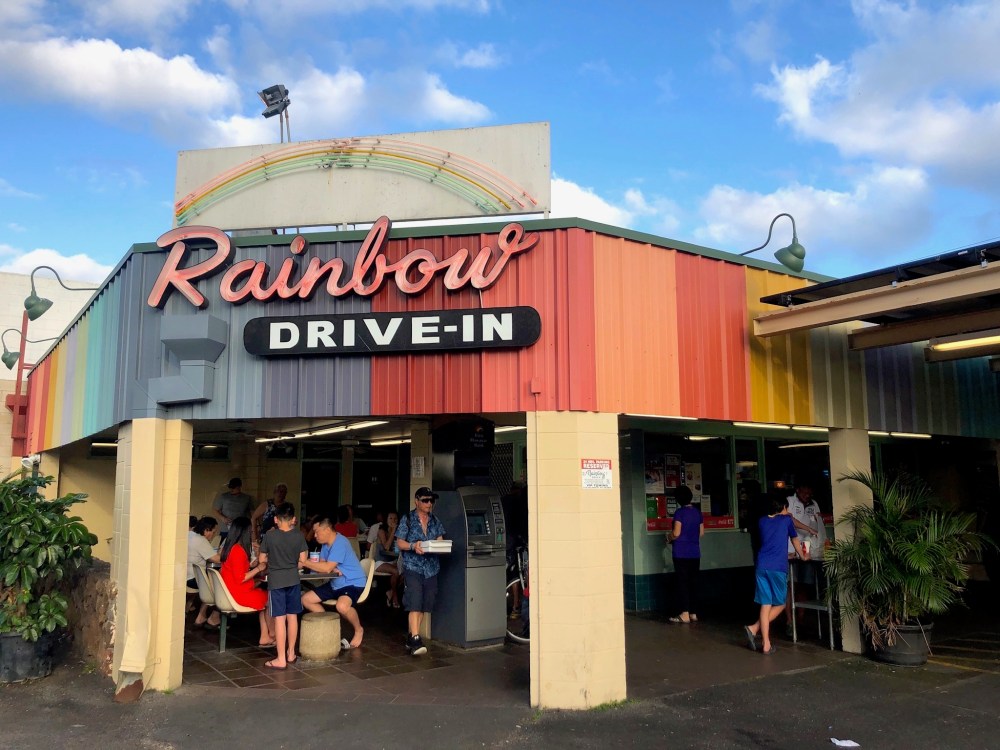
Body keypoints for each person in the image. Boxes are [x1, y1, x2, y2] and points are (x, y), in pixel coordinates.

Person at [744, 494, 809, 655]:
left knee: (765, 604)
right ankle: (754, 628)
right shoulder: (786, 520)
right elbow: (794, 540)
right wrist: (802, 556)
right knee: (780, 603)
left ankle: (766, 644)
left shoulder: (762, 521)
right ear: (782, 508)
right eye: (786, 508)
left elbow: (771, 542)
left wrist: (785, 555)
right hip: (777, 567)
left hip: (762, 565)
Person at [301, 517, 368, 648]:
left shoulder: (340, 542)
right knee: (306, 599)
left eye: (317, 532)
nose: (314, 535)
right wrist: (325, 567)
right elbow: (323, 568)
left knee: (342, 607)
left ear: (327, 530)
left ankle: (359, 629)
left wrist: (304, 561)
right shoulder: (325, 545)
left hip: (352, 582)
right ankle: (328, 627)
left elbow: (325, 568)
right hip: (335, 583)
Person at [395, 487, 446, 656]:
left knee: (426, 603)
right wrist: (412, 546)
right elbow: (399, 543)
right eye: (425, 500)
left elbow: (440, 540)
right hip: (413, 565)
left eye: (431, 500)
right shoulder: (407, 519)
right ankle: (416, 638)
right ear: (416, 501)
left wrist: (440, 546)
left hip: (431, 568)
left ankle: (411, 636)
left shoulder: (435, 520)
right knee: (414, 600)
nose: (429, 503)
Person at [258, 502, 308, 669]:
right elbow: (302, 562)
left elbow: (261, 560)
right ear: (293, 519)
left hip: (276, 581)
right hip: (294, 580)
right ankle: (291, 653)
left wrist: (273, 561)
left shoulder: (270, 536)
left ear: (275, 519)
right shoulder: (299, 536)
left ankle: (280, 659)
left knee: (280, 619)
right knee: (293, 616)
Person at [218, 516, 274, 647]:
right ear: (245, 532)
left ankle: (265, 636)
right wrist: (259, 568)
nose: (252, 534)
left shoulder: (230, 548)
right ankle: (273, 633)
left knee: (264, 594)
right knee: (271, 599)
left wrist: (253, 562)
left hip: (230, 591)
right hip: (238, 594)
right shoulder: (238, 551)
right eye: (250, 532)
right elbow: (241, 577)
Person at [786, 483, 827, 631]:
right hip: (791, 549)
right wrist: (808, 528)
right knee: (791, 585)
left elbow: (818, 522)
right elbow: (789, 520)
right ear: (798, 490)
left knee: (805, 584)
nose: (807, 496)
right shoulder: (790, 501)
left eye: (810, 493)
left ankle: (800, 618)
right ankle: (790, 621)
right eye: (804, 492)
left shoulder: (814, 504)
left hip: (809, 549)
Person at [668, 485, 704, 624]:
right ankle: (693, 613)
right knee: (693, 582)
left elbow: (676, 533)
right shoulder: (697, 512)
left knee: (682, 582)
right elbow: (701, 533)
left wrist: (668, 537)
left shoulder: (679, 513)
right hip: (695, 552)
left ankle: (684, 613)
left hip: (681, 552)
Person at [187, 516, 221, 625]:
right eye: (214, 532)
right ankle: (202, 615)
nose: (214, 534)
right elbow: (216, 559)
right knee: (218, 582)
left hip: (183, 575)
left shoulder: (190, 534)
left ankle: (190, 607)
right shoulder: (201, 540)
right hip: (192, 579)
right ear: (206, 530)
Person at [375, 511, 401, 608]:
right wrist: (393, 530)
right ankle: (395, 596)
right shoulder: (382, 531)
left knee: (406, 571)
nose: (393, 521)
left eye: (395, 519)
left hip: (392, 560)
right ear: (386, 520)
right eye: (390, 518)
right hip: (380, 561)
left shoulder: (399, 531)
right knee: (396, 571)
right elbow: (386, 547)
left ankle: (391, 591)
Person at [251, 482, 287, 549]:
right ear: (274, 492)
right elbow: (253, 518)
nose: (280, 493)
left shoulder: (286, 506)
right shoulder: (267, 504)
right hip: (266, 537)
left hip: (281, 537)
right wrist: (254, 537)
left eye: (283, 491)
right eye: (278, 491)